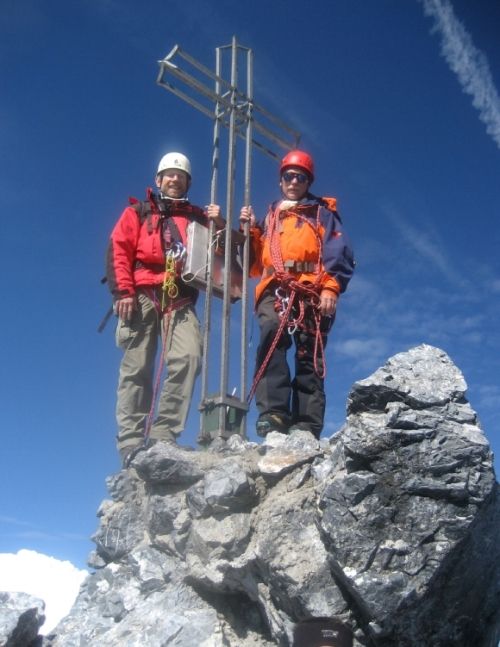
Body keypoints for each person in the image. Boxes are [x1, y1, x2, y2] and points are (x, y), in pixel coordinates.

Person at [106, 152, 224, 467]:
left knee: (189, 357)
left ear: (187, 182)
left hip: (179, 295)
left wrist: (221, 224)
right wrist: (123, 291)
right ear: (158, 180)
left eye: (180, 176)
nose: (174, 179)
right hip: (142, 292)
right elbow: (118, 249)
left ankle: (164, 433)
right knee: (137, 367)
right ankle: (131, 441)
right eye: (169, 174)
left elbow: (222, 254)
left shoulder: (198, 218)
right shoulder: (138, 212)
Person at [240, 150, 354, 439]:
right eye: (289, 176)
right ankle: (274, 412)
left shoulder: (322, 213)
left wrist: (330, 286)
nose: (293, 181)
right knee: (271, 333)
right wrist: (250, 231)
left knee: (309, 351)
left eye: (300, 177)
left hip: (311, 289)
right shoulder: (270, 217)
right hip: (275, 286)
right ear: (281, 181)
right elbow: (254, 264)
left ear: (308, 182)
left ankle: (306, 422)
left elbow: (338, 250)